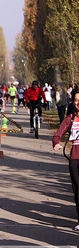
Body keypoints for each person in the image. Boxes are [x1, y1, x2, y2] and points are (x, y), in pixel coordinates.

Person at [52, 88, 79, 231]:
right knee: (78, 190)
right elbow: (57, 135)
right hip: (75, 158)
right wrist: (56, 143)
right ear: (73, 102)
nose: (78, 103)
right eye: (76, 100)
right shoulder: (70, 119)